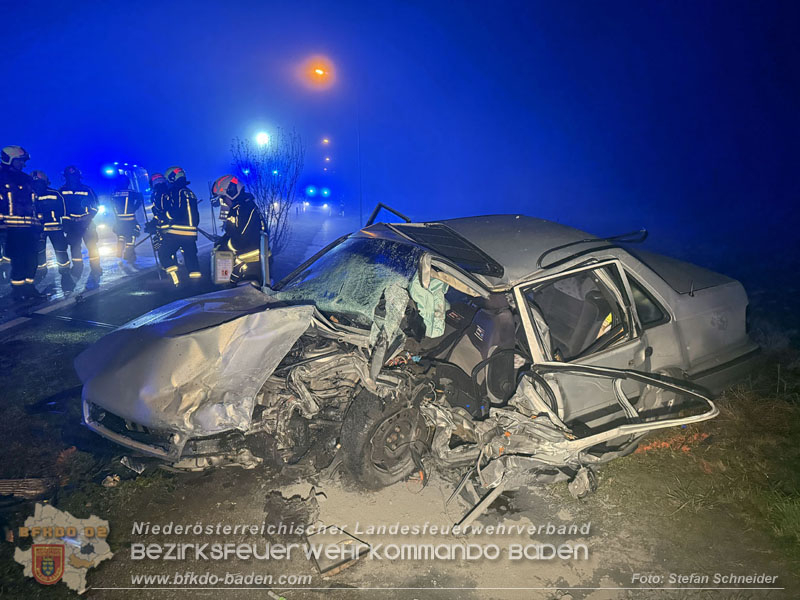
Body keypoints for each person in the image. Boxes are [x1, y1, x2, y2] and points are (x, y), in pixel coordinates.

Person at [0, 145, 42, 300]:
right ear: (8, 159)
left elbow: (34, 203)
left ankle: (29, 288)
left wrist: (39, 224)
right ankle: (17, 292)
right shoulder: (1, 178)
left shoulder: (26, 179)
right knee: (18, 261)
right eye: (19, 161)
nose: (22, 164)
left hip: (30, 228)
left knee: (32, 260)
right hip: (10, 228)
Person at [211, 175, 266, 285]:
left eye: (223, 198)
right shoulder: (237, 209)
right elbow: (233, 233)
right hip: (245, 262)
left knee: (246, 297)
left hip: (252, 264)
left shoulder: (245, 209)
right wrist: (223, 240)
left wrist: (225, 246)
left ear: (231, 192)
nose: (223, 202)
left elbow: (243, 241)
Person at [31, 170, 75, 292]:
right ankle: (40, 273)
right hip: (38, 230)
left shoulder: (55, 193)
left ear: (45, 182)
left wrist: (66, 225)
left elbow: (64, 210)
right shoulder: (29, 195)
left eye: (39, 182)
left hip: (55, 229)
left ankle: (65, 275)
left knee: (61, 252)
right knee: (39, 253)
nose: (37, 185)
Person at [60, 165, 102, 289]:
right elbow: (61, 209)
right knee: (74, 248)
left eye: (74, 176)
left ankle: (96, 267)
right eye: (70, 176)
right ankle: (77, 268)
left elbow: (95, 206)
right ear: (66, 177)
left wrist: (88, 217)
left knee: (92, 247)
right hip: (72, 225)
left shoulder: (87, 189)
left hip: (87, 223)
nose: (72, 178)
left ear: (79, 176)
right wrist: (67, 221)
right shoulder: (61, 191)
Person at [158, 166, 200, 285]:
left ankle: (175, 280)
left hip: (177, 232)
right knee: (191, 258)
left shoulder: (176, 191)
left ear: (171, 178)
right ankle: (196, 284)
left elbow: (174, 211)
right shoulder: (190, 192)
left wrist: (164, 216)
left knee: (163, 253)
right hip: (191, 233)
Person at [110, 174, 142, 268]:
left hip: (119, 219)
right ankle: (129, 256)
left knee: (121, 236)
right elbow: (139, 200)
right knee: (131, 237)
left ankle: (119, 252)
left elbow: (112, 204)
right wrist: (135, 207)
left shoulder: (114, 193)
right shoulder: (131, 192)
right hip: (130, 219)